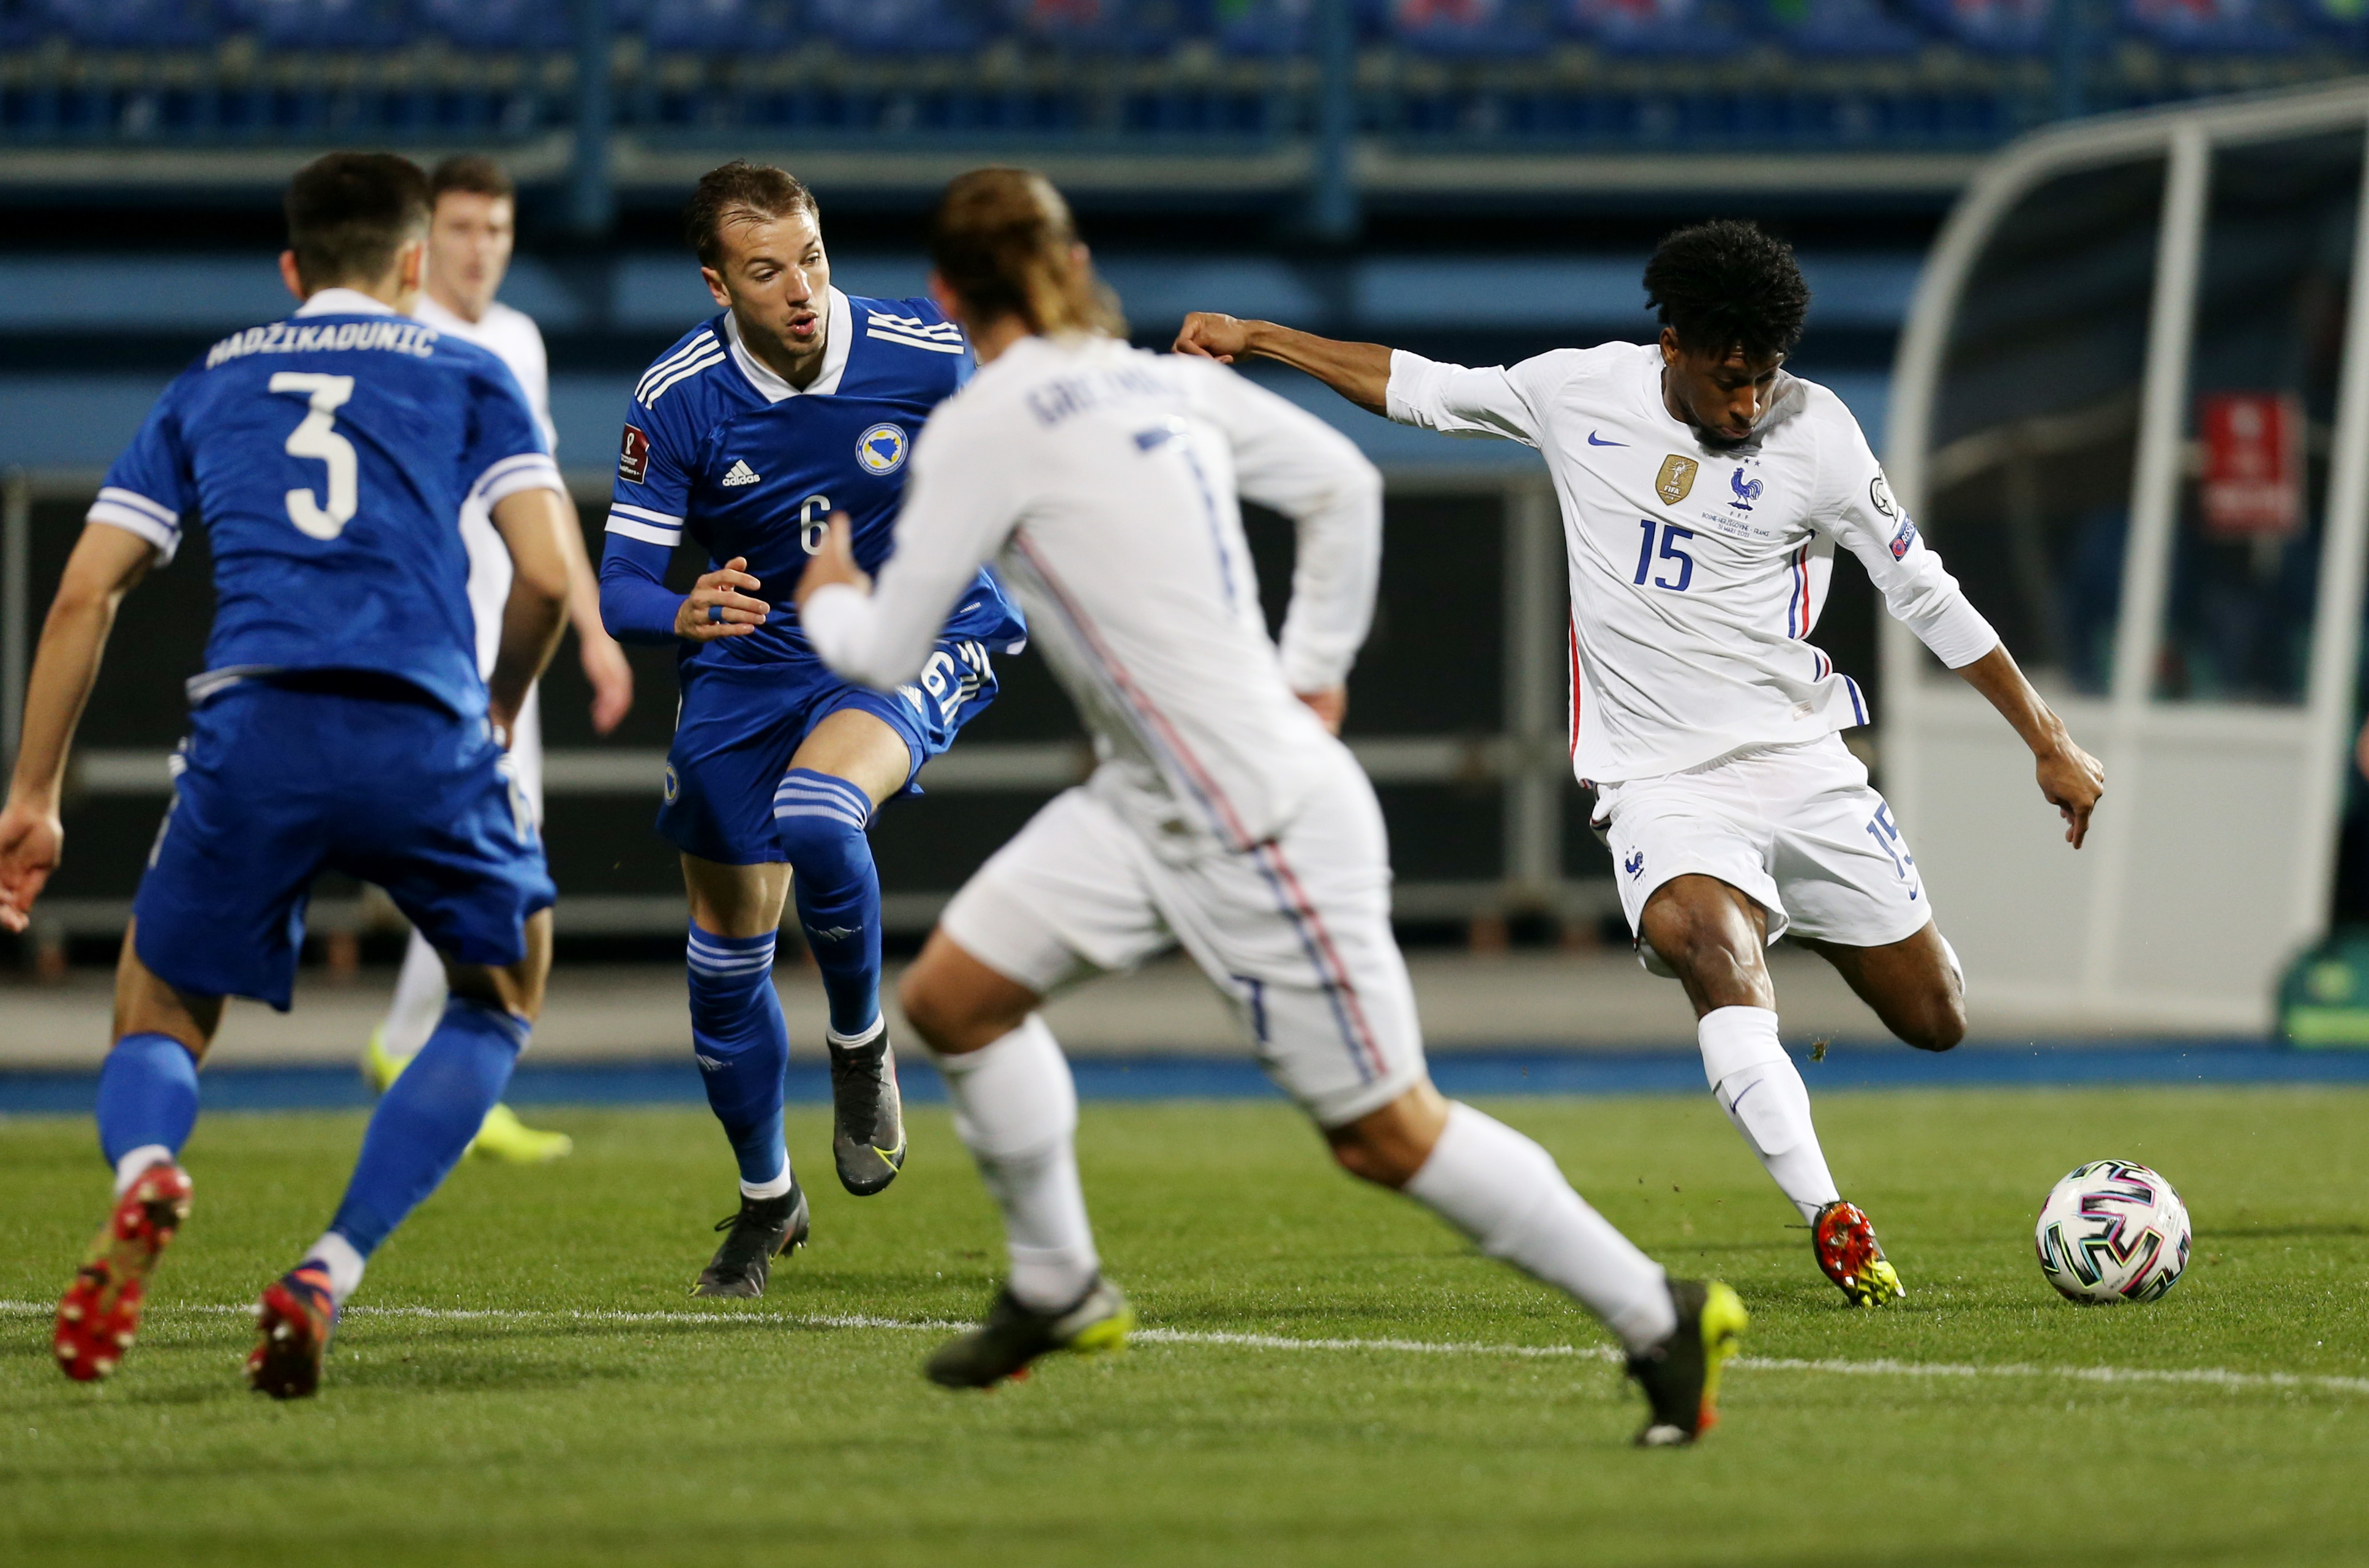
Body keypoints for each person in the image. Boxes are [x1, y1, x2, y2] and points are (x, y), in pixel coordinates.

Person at [798, 168, 1746, 1447]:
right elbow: (1343, 485)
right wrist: (1315, 671)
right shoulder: (1164, 381)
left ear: (946, 296)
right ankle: (1057, 1283)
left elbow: (879, 647)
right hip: (1145, 803)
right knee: (957, 998)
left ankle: (1657, 1312)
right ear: (1071, 266)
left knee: (1386, 1133)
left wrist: (826, 591)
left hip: (1256, 824)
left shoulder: (986, 422)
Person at [1172, 220, 2106, 1308]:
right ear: (1673, 345)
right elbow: (1419, 389)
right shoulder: (1577, 393)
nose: (1748, 404)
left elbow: (1923, 591)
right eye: (1729, 379)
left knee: (1934, 1016)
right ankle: (1829, 1213)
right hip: (1659, 782)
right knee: (1702, 943)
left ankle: (1782, 913)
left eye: (1764, 378)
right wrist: (1255, 336)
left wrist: (2047, 740)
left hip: (1799, 762)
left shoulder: (1820, 434)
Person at [0, 152, 574, 1398]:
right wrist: (500, 706)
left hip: (255, 727)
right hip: (421, 728)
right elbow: (544, 577)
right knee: (502, 988)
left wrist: (32, 797)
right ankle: (327, 1268)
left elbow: (83, 593)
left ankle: (148, 1169)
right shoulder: (472, 367)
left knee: (158, 1006)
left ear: (290, 268)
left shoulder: (213, 378)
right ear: (415, 263)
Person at [597, 162, 1026, 1299]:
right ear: (716, 285)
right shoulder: (676, 397)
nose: (800, 289)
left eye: (812, 257)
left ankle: (858, 1046)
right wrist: (678, 609)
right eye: (765, 271)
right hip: (750, 662)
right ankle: (767, 1201)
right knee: (723, 963)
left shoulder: (925, 354)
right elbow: (620, 586)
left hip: (907, 631)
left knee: (820, 813)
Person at [359, 152, 636, 1166]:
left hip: (505, 643)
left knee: (497, 851)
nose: (481, 249)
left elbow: (543, 495)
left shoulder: (518, 340)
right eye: (462, 229)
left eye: (497, 231)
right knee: (480, 853)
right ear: (424, 237)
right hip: (419, 642)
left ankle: (408, 1047)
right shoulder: (390, 336)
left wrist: (594, 631)